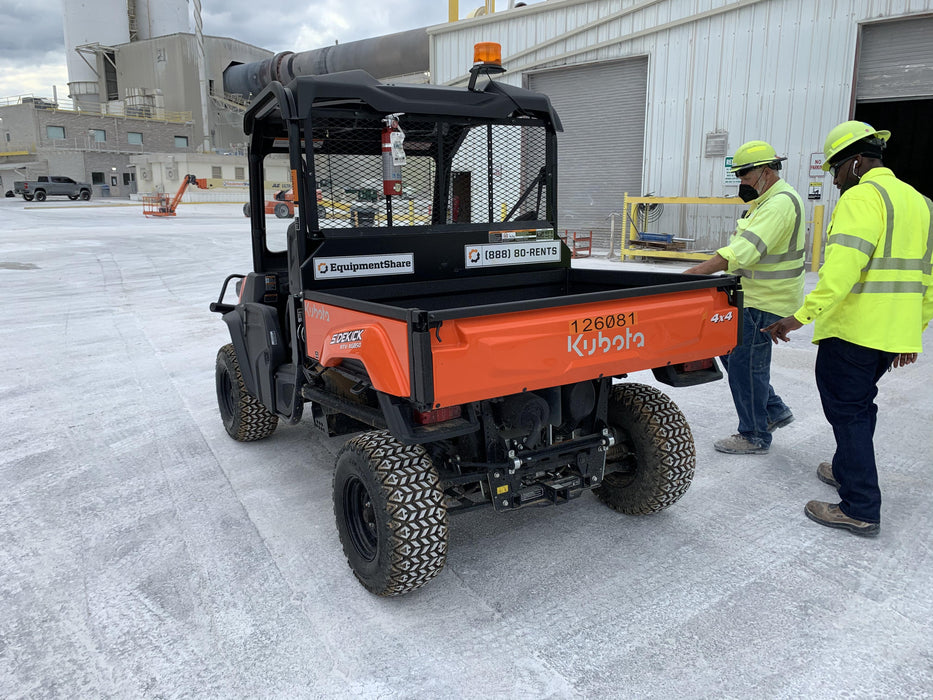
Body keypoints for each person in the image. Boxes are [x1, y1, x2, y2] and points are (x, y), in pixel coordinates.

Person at [764, 120, 933, 537]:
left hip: (853, 332)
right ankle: (844, 470)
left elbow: (840, 272)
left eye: (836, 170)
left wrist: (798, 317)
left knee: (848, 412)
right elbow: (927, 277)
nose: (835, 180)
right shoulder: (919, 201)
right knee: (860, 406)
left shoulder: (862, 199)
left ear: (856, 163)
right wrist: (912, 332)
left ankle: (859, 506)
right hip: (889, 335)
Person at [684, 141, 806, 455]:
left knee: (746, 365)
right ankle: (774, 409)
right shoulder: (764, 203)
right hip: (754, 296)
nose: (741, 181)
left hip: (765, 301)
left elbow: (741, 253)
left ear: (766, 171)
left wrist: (690, 276)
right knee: (734, 355)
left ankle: (754, 434)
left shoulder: (778, 204)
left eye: (745, 174)